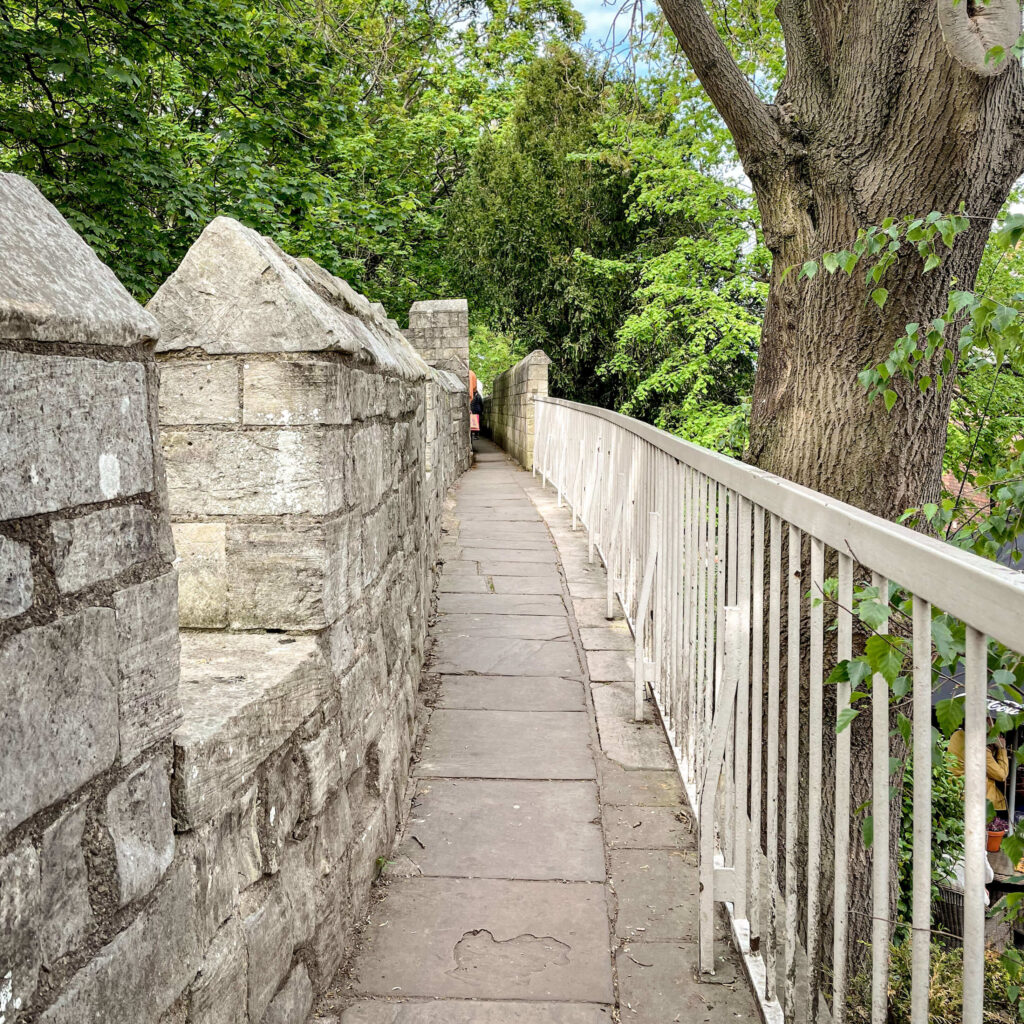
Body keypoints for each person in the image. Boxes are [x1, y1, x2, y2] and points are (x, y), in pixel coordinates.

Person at [948, 724, 1010, 811]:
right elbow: (1002, 775)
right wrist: (1001, 748)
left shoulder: (958, 735)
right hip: (977, 800)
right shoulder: (978, 747)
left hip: (956, 794)